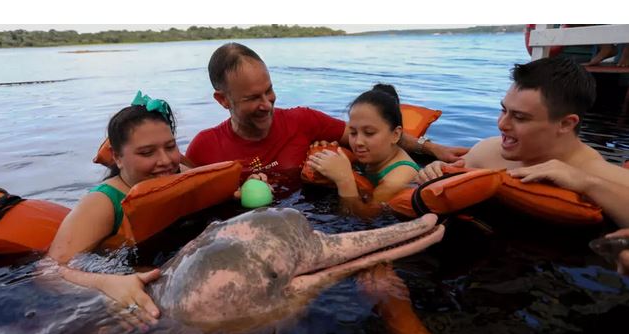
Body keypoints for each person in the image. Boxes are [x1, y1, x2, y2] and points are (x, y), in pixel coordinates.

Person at [185, 43, 468, 179]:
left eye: (268, 91)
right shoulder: (203, 149)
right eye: (252, 98)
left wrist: (430, 148)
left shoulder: (302, 120)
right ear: (223, 100)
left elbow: (371, 137)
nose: (267, 103)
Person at [415, 56, 629, 228]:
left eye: (519, 117)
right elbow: (444, 182)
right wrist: (432, 173)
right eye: (503, 110)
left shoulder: (599, 174)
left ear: (565, 124)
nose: (502, 124)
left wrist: (587, 184)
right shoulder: (487, 152)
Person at [47, 91, 186, 322]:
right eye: (147, 152)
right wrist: (105, 284)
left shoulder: (180, 176)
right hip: (119, 285)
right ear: (117, 157)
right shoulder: (102, 203)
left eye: (170, 147)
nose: (165, 161)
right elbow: (48, 273)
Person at [306, 84, 420, 217]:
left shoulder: (398, 178)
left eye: (369, 133)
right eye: (353, 133)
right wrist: (326, 150)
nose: (358, 142)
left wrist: (344, 180)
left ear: (395, 135)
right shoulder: (373, 155)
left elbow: (365, 218)